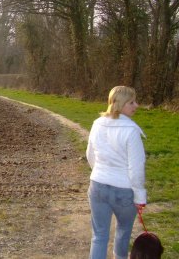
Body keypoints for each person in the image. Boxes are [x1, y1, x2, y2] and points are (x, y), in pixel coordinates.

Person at [86, 86, 147, 259]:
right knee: (123, 230)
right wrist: (140, 196)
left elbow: (90, 155)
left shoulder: (97, 124)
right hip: (124, 191)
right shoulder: (131, 130)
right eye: (131, 102)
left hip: (97, 186)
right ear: (120, 104)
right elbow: (136, 169)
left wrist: (100, 173)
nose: (137, 105)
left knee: (99, 236)